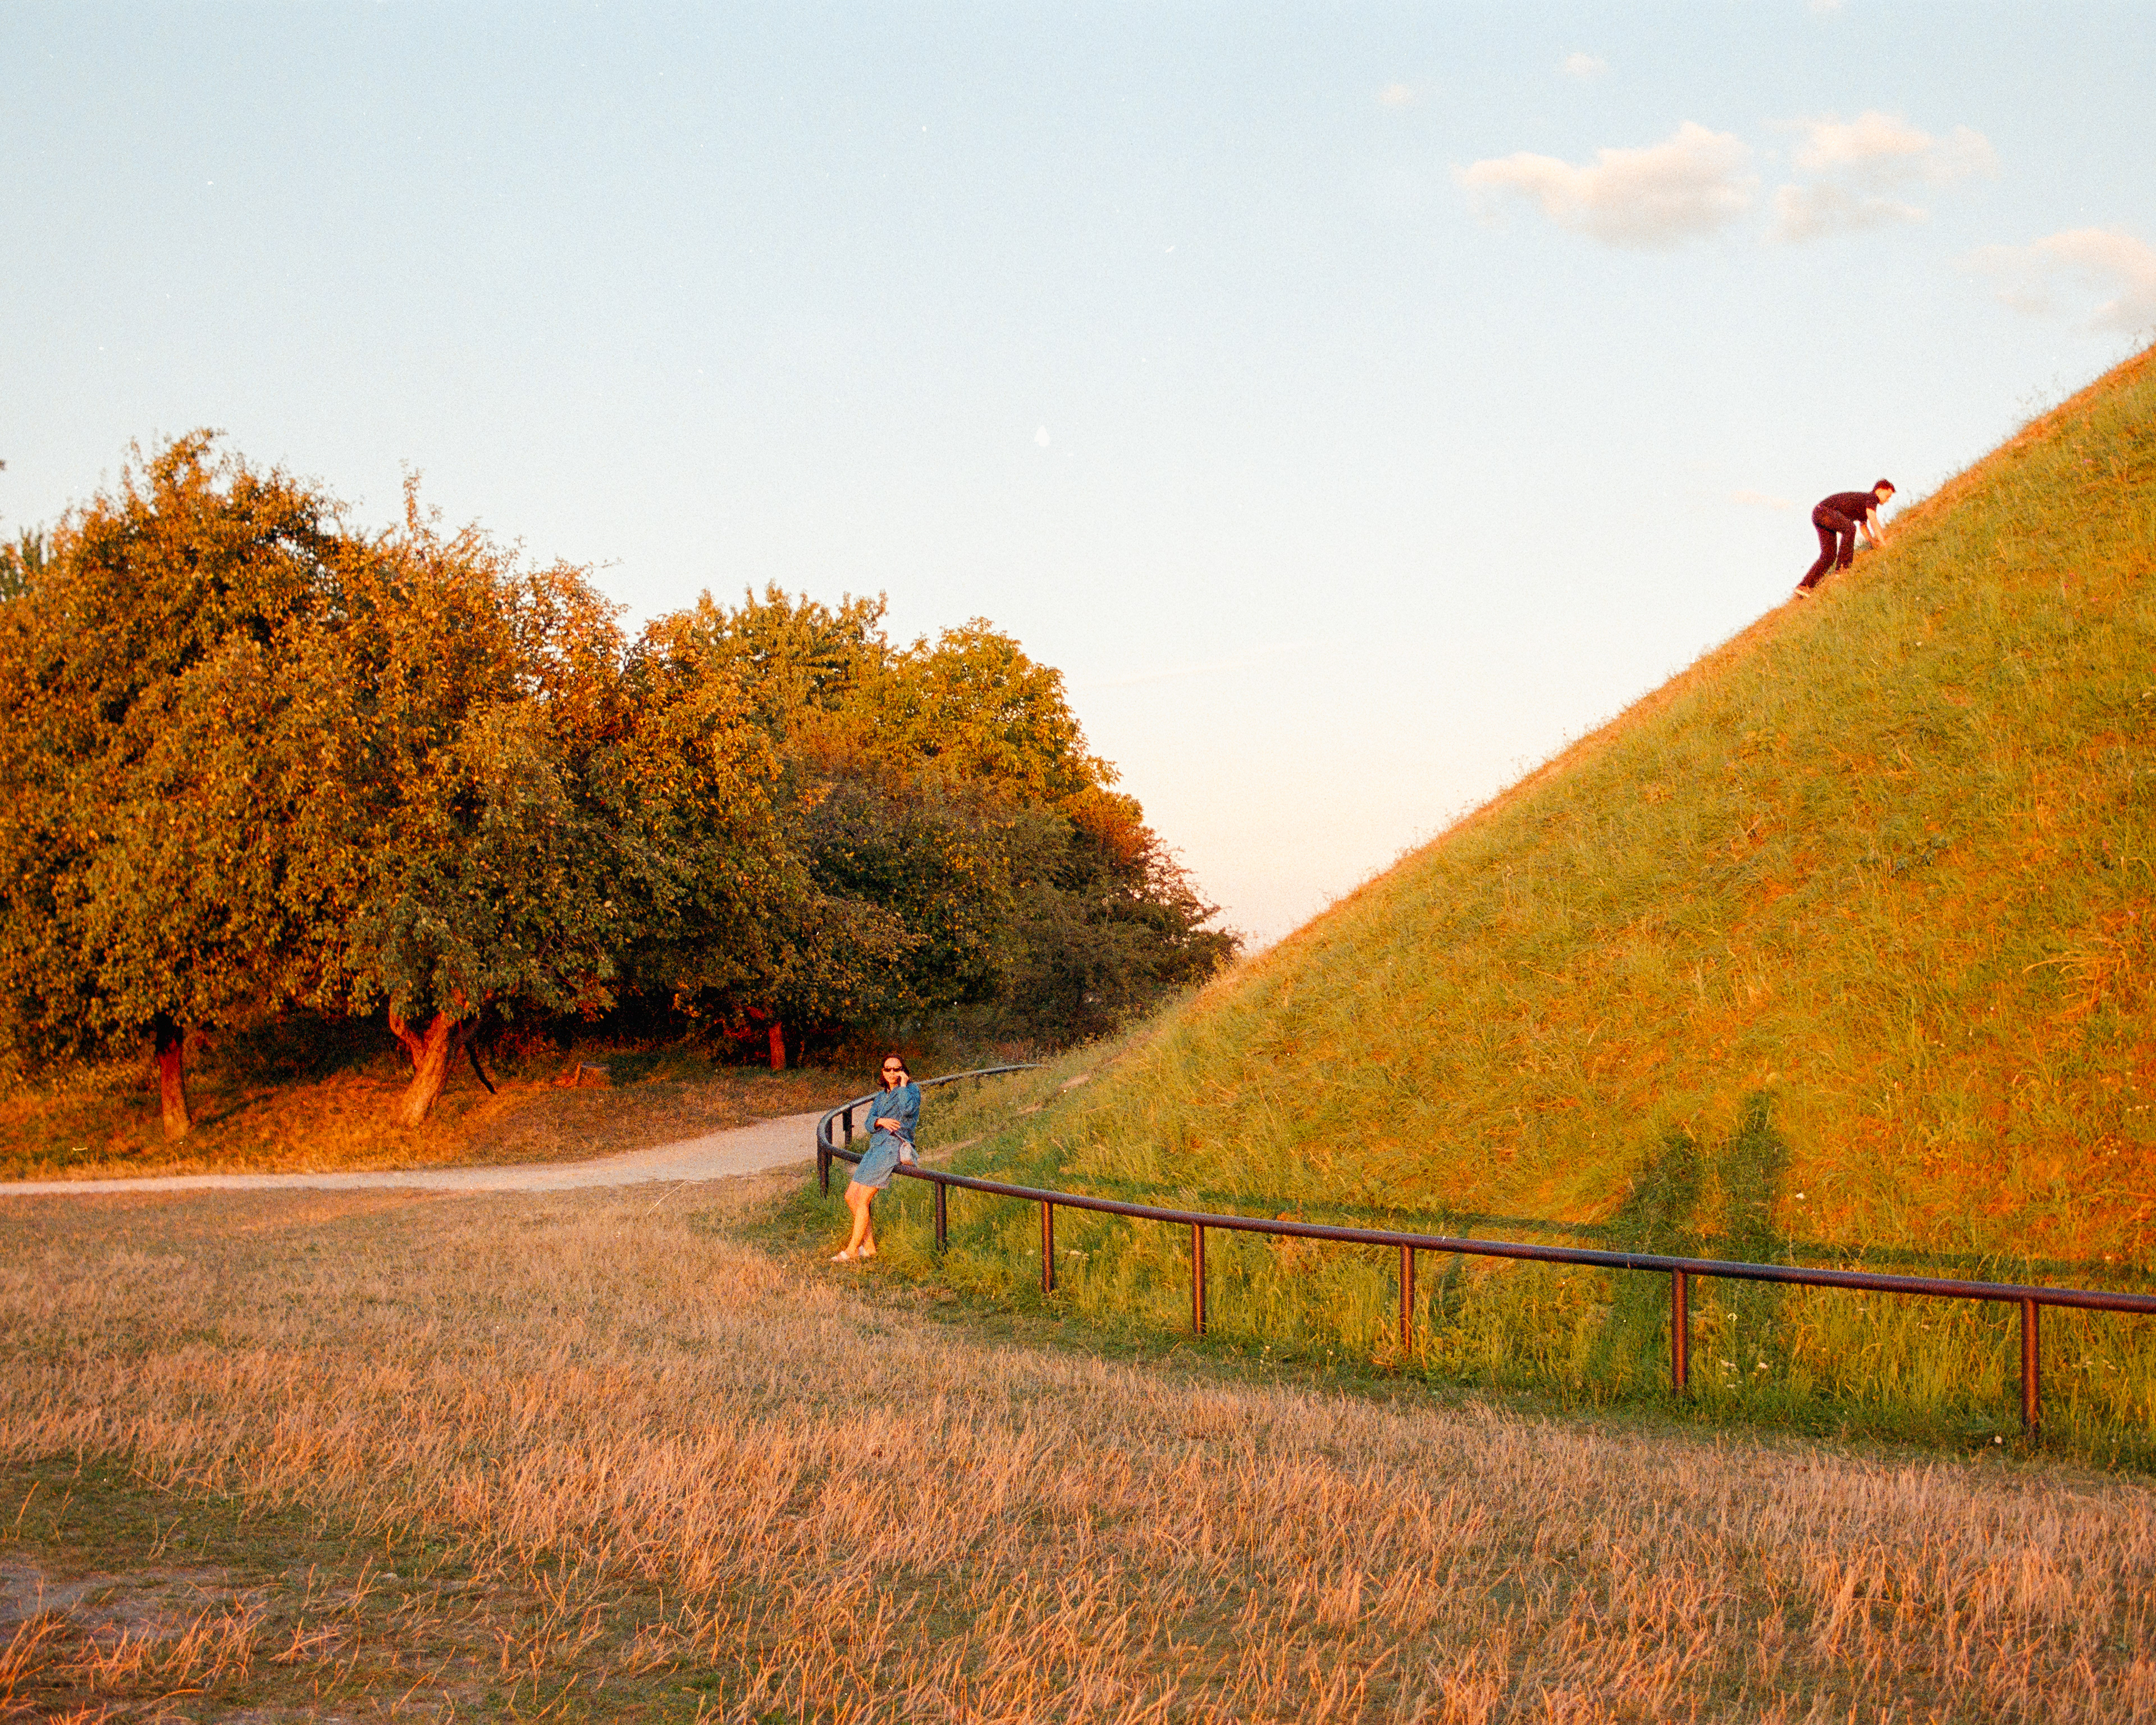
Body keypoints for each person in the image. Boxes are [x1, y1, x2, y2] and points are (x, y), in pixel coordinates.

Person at [833, 1053, 920, 1263]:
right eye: (888, 1069)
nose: (892, 1073)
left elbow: (909, 1110)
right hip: (876, 1148)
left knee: (863, 1199)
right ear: (883, 1072)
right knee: (850, 1196)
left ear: (904, 1070)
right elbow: (868, 1123)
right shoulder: (881, 1097)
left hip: (893, 1147)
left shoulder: (911, 1091)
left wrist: (902, 1087)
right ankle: (869, 1246)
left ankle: (853, 1249)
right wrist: (880, 1120)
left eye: (897, 1069)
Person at [1797, 480, 1895, 594]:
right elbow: (1874, 521)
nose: (1887, 500)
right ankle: (1843, 568)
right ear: (1879, 490)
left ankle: (1804, 586)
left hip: (1819, 513)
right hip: (1824, 512)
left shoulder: (1864, 502)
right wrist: (1883, 543)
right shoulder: (1872, 498)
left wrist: (1873, 542)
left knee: (1829, 555)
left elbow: (1864, 528)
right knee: (1849, 528)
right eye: (1888, 496)